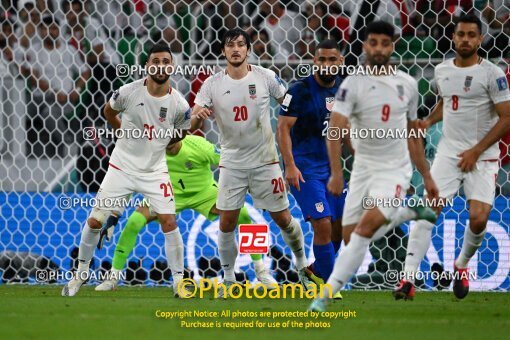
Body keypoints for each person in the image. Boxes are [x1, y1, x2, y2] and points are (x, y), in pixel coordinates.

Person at [309, 21, 438, 311]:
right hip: (363, 169)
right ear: (365, 46)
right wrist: (338, 173)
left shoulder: (407, 83)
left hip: (394, 169)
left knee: (366, 228)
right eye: (373, 42)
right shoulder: (352, 83)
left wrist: (426, 176)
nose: (379, 48)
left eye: (385, 43)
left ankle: (325, 297)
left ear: (392, 46)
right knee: (352, 234)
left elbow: (413, 133)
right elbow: (335, 131)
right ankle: (408, 211)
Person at [395, 14, 510, 300]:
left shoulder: (493, 74)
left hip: (483, 156)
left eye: (472, 35)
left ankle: (460, 266)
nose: (466, 40)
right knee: (428, 210)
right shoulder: (442, 70)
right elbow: (449, 103)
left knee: (479, 219)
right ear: (454, 37)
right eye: (461, 35)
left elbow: (507, 118)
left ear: (480, 39)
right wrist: (428, 121)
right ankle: (407, 280)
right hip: (448, 153)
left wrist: (476, 151)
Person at [61, 43, 191, 297]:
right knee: (94, 220)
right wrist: (122, 131)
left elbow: (182, 131)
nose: (161, 66)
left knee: (169, 220)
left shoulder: (179, 103)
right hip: (121, 167)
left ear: (172, 67)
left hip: (154, 171)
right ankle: (81, 273)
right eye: (156, 61)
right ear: (147, 66)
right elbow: (108, 111)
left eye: (166, 61)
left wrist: (167, 142)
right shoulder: (128, 92)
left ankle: (178, 281)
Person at [192, 28, 312, 296]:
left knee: (283, 218)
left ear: (248, 50)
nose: (235, 49)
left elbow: (288, 102)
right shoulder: (212, 83)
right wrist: (198, 114)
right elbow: (192, 119)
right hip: (231, 163)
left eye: (240, 45)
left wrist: (302, 110)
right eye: (230, 45)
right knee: (226, 223)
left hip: (265, 162)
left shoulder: (265, 77)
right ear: (223, 51)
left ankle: (303, 266)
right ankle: (228, 278)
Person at [94, 135, 278, 291]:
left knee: (244, 214)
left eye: (171, 142)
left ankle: (261, 270)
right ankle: (113, 277)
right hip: (166, 193)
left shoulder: (198, 145)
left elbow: (228, 163)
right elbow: (129, 180)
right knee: (134, 221)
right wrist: (114, 215)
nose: (167, 146)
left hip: (204, 193)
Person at [277, 39, 345, 299]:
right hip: (305, 169)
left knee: (339, 228)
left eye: (332, 60)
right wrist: (290, 166)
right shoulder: (300, 90)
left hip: (332, 169)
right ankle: (328, 286)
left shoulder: (344, 90)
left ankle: (313, 271)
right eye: (321, 60)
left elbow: (346, 130)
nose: (326, 64)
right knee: (323, 225)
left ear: (340, 62)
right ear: (314, 61)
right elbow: (283, 128)